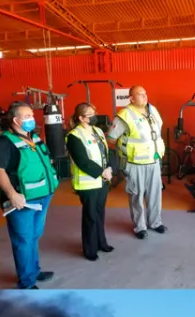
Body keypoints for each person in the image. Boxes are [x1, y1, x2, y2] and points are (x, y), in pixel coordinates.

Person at [0, 101, 58, 289]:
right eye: (27, 116)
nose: (32, 119)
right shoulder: (4, 142)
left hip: (43, 196)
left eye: (32, 115)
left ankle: (34, 271)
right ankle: (27, 283)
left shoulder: (33, 137)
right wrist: (12, 194)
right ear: (16, 120)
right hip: (22, 201)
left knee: (33, 236)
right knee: (23, 240)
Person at [106, 85, 167, 239]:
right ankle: (140, 227)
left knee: (155, 195)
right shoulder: (125, 115)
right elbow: (112, 138)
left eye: (145, 93)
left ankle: (155, 222)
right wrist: (126, 149)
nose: (144, 96)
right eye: (140, 94)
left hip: (153, 161)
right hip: (134, 163)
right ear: (132, 98)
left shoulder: (153, 112)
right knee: (136, 196)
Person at [66, 102, 114, 261]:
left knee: (100, 214)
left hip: (102, 181)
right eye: (90, 114)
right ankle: (90, 249)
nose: (95, 116)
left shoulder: (98, 131)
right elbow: (82, 161)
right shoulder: (74, 136)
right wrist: (102, 172)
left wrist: (109, 168)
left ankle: (102, 243)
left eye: (95, 112)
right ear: (81, 118)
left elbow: (105, 153)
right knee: (90, 216)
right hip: (88, 183)